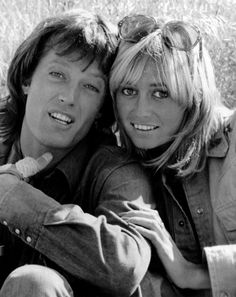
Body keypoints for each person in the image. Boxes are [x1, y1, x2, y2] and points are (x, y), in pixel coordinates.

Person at [0, 10, 154, 297]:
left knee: (33, 283)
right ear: (27, 79)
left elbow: (125, 266)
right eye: (58, 74)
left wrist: (11, 197)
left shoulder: (115, 170)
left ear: (100, 110)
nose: (69, 97)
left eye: (90, 87)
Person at [109, 15, 236, 297]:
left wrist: (192, 274)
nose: (140, 111)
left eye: (161, 93)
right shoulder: (123, 166)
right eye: (128, 90)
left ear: (193, 94)